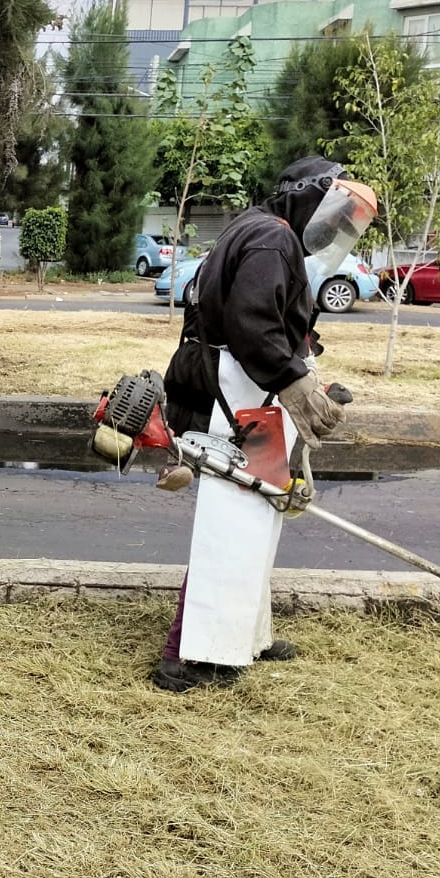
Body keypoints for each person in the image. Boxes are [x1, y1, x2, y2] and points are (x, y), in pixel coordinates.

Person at [153, 156, 376, 693]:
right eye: (337, 215)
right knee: (231, 524)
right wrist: (293, 380)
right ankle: (186, 657)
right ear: (307, 195)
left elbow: (271, 323)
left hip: (247, 392)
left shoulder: (264, 230)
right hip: (238, 396)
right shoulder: (272, 240)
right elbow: (252, 326)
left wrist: (300, 371)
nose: (338, 230)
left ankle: (244, 636)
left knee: (257, 518)